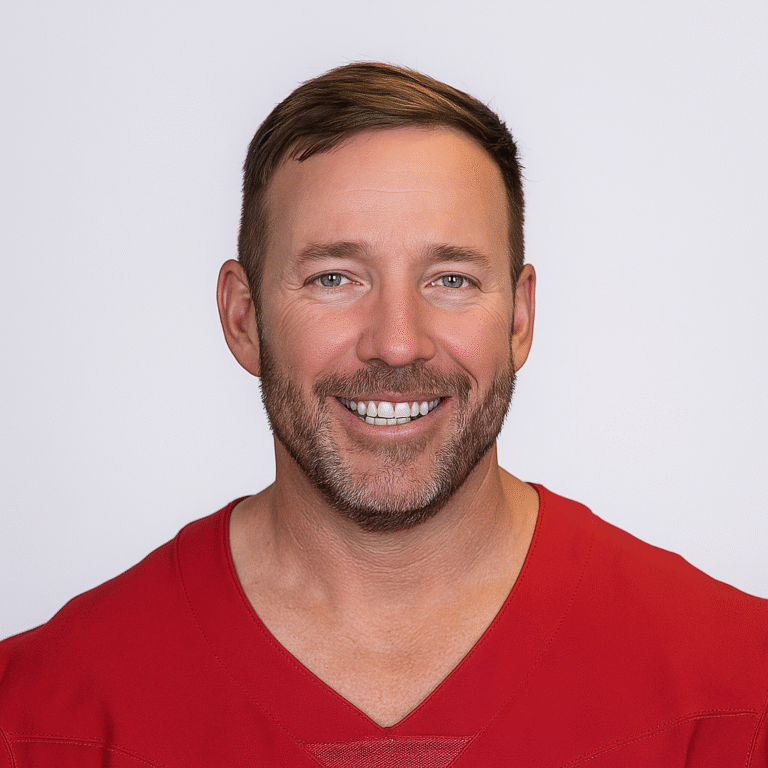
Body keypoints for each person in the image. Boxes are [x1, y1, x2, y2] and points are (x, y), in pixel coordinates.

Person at [0, 62, 765, 768]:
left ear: (520, 319)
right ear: (243, 318)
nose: (397, 342)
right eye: (335, 277)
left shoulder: (736, 691)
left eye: (451, 279)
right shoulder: (38, 718)